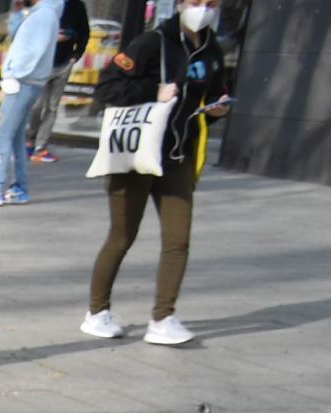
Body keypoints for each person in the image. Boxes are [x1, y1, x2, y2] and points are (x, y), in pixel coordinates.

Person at [83, 0, 231, 344]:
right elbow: (106, 88)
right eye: (197, 2)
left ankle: (163, 319)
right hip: (137, 154)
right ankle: (97, 312)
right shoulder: (153, 42)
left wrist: (216, 108)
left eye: (211, 3)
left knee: (178, 240)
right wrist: (154, 91)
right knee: (122, 236)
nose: (205, 9)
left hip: (178, 155)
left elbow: (209, 93)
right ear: (180, 4)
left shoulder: (213, 48)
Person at [0, 0, 58, 205]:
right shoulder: (41, 13)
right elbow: (20, 41)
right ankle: (18, 188)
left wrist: (13, 73)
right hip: (26, 81)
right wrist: (17, 15)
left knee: (3, 132)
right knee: (15, 135)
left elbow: (34, 50)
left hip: (23, 82)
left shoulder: (43, 15)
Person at [27, 0, 90, 161]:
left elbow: (84, 31)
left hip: (63, 63)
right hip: (42, 62)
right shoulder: (47, 4)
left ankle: (41, 145)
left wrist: (76, 55)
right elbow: (32, 30)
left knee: (52, 107)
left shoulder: (77, 6)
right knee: (36, 105)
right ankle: (30, 139)